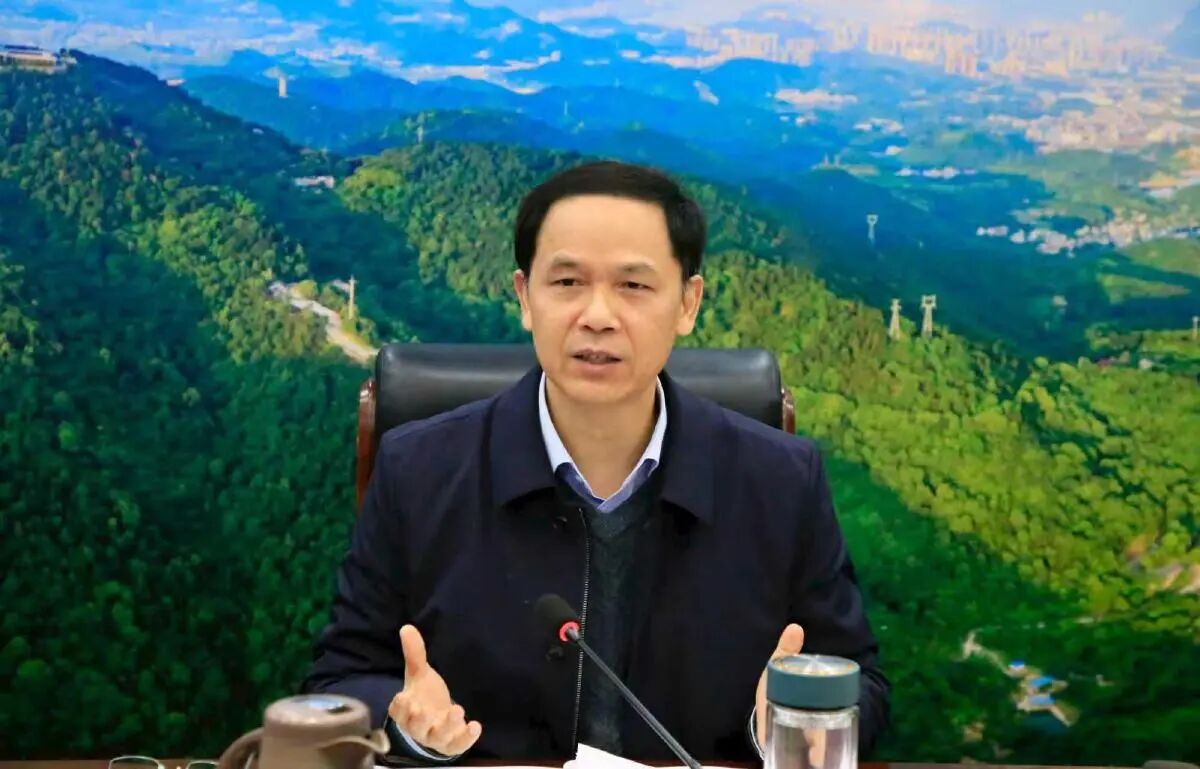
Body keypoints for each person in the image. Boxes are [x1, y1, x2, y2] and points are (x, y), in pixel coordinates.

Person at [301, 160, 889, 764]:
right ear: (525, 297)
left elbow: (861, 684)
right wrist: (405, 720)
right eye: (567, 282)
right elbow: (341, 679)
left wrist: (792, 724)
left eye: (633, 286)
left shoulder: (781, 480)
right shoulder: (418, 470)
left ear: (687, 303)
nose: (598, 316)